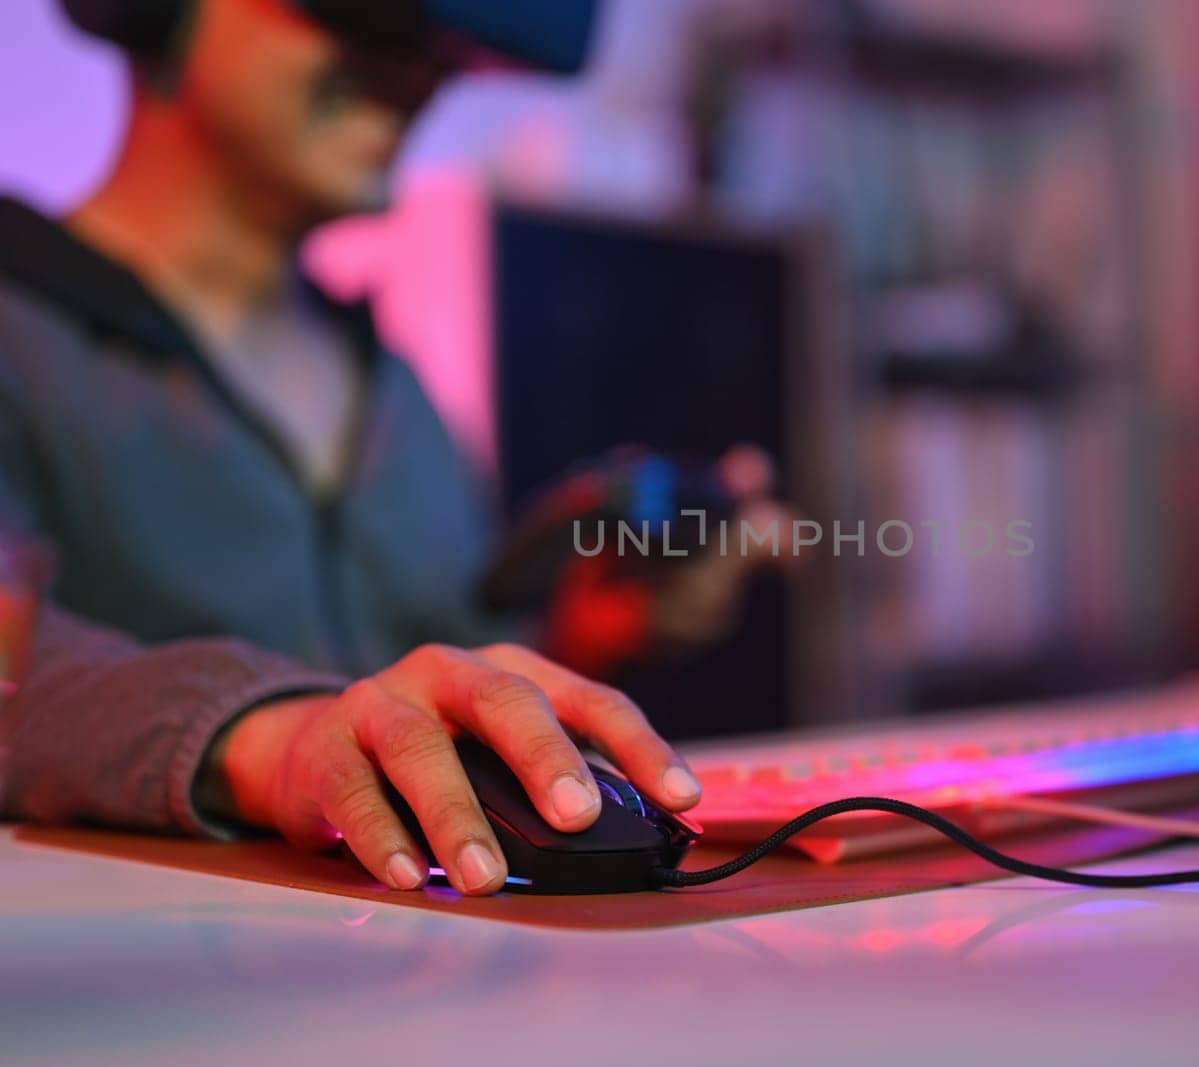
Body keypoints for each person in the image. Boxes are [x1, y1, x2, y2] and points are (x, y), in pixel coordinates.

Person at [0, 0, 758, 895]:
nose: (419, 71)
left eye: (436, 42)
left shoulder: (397, 390)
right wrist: (276, 737)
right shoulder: (22, 338)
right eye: (360, 22)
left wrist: (580, 639)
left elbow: (437, 683)